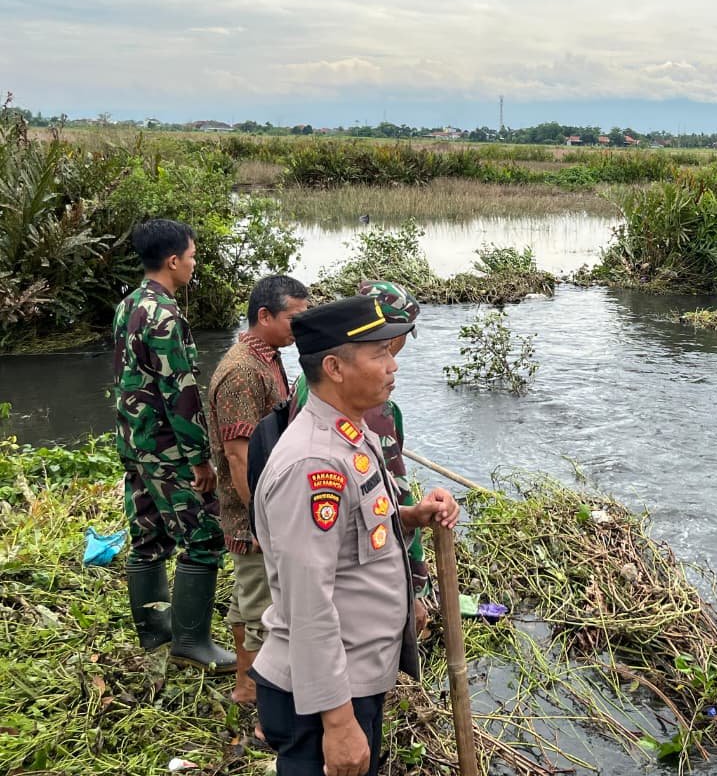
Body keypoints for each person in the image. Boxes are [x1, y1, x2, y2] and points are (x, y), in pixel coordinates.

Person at [251, 295, 459, 776]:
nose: (393, 367)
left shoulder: (351, 432)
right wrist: (340, 724)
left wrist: (411, 516)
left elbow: (355, 531)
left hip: (353, 678)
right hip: (323, 697)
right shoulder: (313, 465)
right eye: (379, 355)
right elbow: (309, 601)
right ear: (335, 368)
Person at [113, 218, 232, 671]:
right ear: (173, 260)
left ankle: (154, 629)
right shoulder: (164, 314)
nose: (194, 265)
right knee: (204, 536)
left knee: (148, 534)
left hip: (134, 440)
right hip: (166, 447)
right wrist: (200, 459)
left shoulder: (128, 305)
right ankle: (190, 642)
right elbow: (179, 392)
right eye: (193, 256)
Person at [291, 281, 434, 635]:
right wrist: (414, 588)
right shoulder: (375, 409)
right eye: (387, 344)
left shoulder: (309, 381)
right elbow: (391, 500)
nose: (395, 360)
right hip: (359, 595)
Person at [206, 275, 310, 712]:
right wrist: (263, 520)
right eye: (294, 319)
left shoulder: (268, 357)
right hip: (251, 511)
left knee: (249, 597)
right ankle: (251, 692)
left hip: (264, 504)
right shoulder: (242, 372)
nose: (299, 328)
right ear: (264, 316)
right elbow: (237, 456)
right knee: (259, 604)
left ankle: (249, 684)